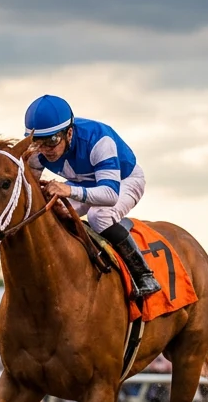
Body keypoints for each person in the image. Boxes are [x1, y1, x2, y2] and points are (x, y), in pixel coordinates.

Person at [21, 94, 160, 298]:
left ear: (69, 132)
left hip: (123, 181)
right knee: (50, 211)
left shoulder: (98, 140)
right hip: (84, 183)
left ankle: (144, 275)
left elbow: (110, 195)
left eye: (51, 141)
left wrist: (68, 191)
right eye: (36, 142)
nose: (44, 150)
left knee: (99, 216)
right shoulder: (39, 151)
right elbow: (29, 188)